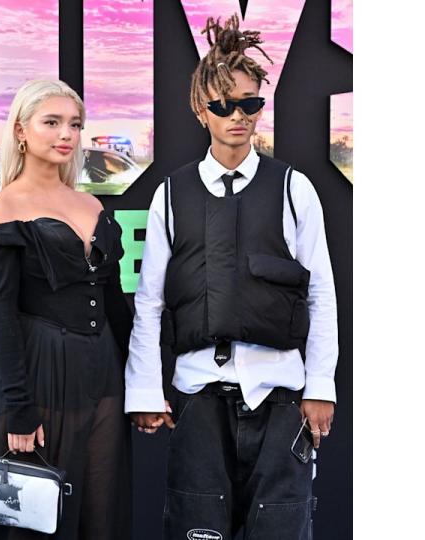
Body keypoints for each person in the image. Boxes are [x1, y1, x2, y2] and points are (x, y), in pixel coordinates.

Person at [124, 14, 338, 540]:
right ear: (202, 110)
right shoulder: (171, 195)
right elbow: (150, 300)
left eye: (250, 103)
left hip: (281, 397)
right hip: (199, 397)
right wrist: (145, 390)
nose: (237, 115)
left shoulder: (294, 188)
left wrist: (321, 385)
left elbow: (321, 293)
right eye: (223, 105)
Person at [0, 79, 132, 539]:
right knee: (37, 525)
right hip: (38, 376)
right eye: (52, 122)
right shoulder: (4, 209)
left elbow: (116, 307)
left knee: (100, 515)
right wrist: (18, 408)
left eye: (75, 124)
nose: (67, 134)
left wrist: (143, 380)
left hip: (103, 372)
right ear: (21, 131)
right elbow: (2, 317)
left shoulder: (90, 204)